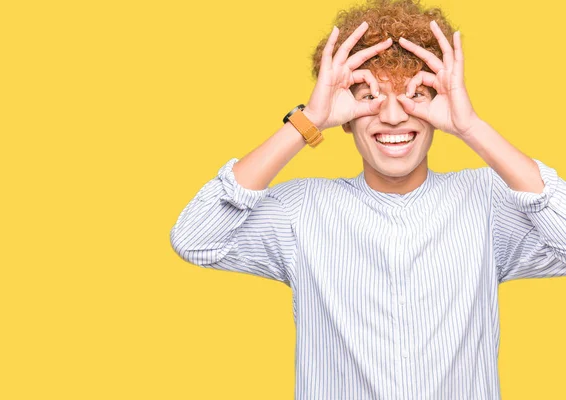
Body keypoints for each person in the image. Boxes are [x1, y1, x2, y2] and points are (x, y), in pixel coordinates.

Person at [170, 0, 566, 398]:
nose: (393, 116)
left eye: (415, 94)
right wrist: (308, 120)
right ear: (345, 116)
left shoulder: (488, 202)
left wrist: (470, 127)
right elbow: (195, 238)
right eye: (369, 96)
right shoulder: (303, 210)